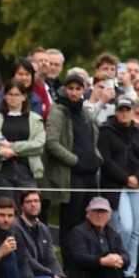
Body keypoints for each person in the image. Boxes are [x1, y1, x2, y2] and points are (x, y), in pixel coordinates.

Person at [10, 189, 139, 278]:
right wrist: (52, 274)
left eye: (36, 201)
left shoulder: (42, 228)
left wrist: (59, 275)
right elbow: (26, 259)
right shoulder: (16, 228)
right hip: (32, 277)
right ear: (21, 206)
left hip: (53, 277)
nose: (33, 205)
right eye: (29, 202)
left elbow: (51, 257)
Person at [42, 73, 100, 257]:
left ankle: (85, 260)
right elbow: (51, 142)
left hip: (89, 174)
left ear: (84, 90)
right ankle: (68, 263)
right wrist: (75, 160)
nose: (74, 92)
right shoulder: (58, 110)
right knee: (71, 222)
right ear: (65, 89)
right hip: (71, 175)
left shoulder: (84, 112)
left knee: (88, 220)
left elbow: (93, 138)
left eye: (78, 88)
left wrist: (97, 158)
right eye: (70, 88)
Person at [98, 95, 139, 278]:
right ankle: (119, 265)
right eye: (120, 110)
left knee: (136, 229)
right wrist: (126, 178)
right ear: (116, 112)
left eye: (127, 110)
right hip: (116, 185)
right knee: (125, 227)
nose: (124, 113)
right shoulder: (106, 131)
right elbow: (106, 160)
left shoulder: (138, 132)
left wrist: (138, 177)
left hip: (137, 184)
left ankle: (131, 272)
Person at [0, 81, 46, 196]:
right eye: (10, 94)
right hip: (3, 172)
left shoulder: (36, 120)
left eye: (17, 95)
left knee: (28, 204)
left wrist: (11, 146)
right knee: (5, 205)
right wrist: (0, 151)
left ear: (24, 97)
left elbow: (39, 145)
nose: (13, 98)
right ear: (5, 96)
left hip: (28, 171)